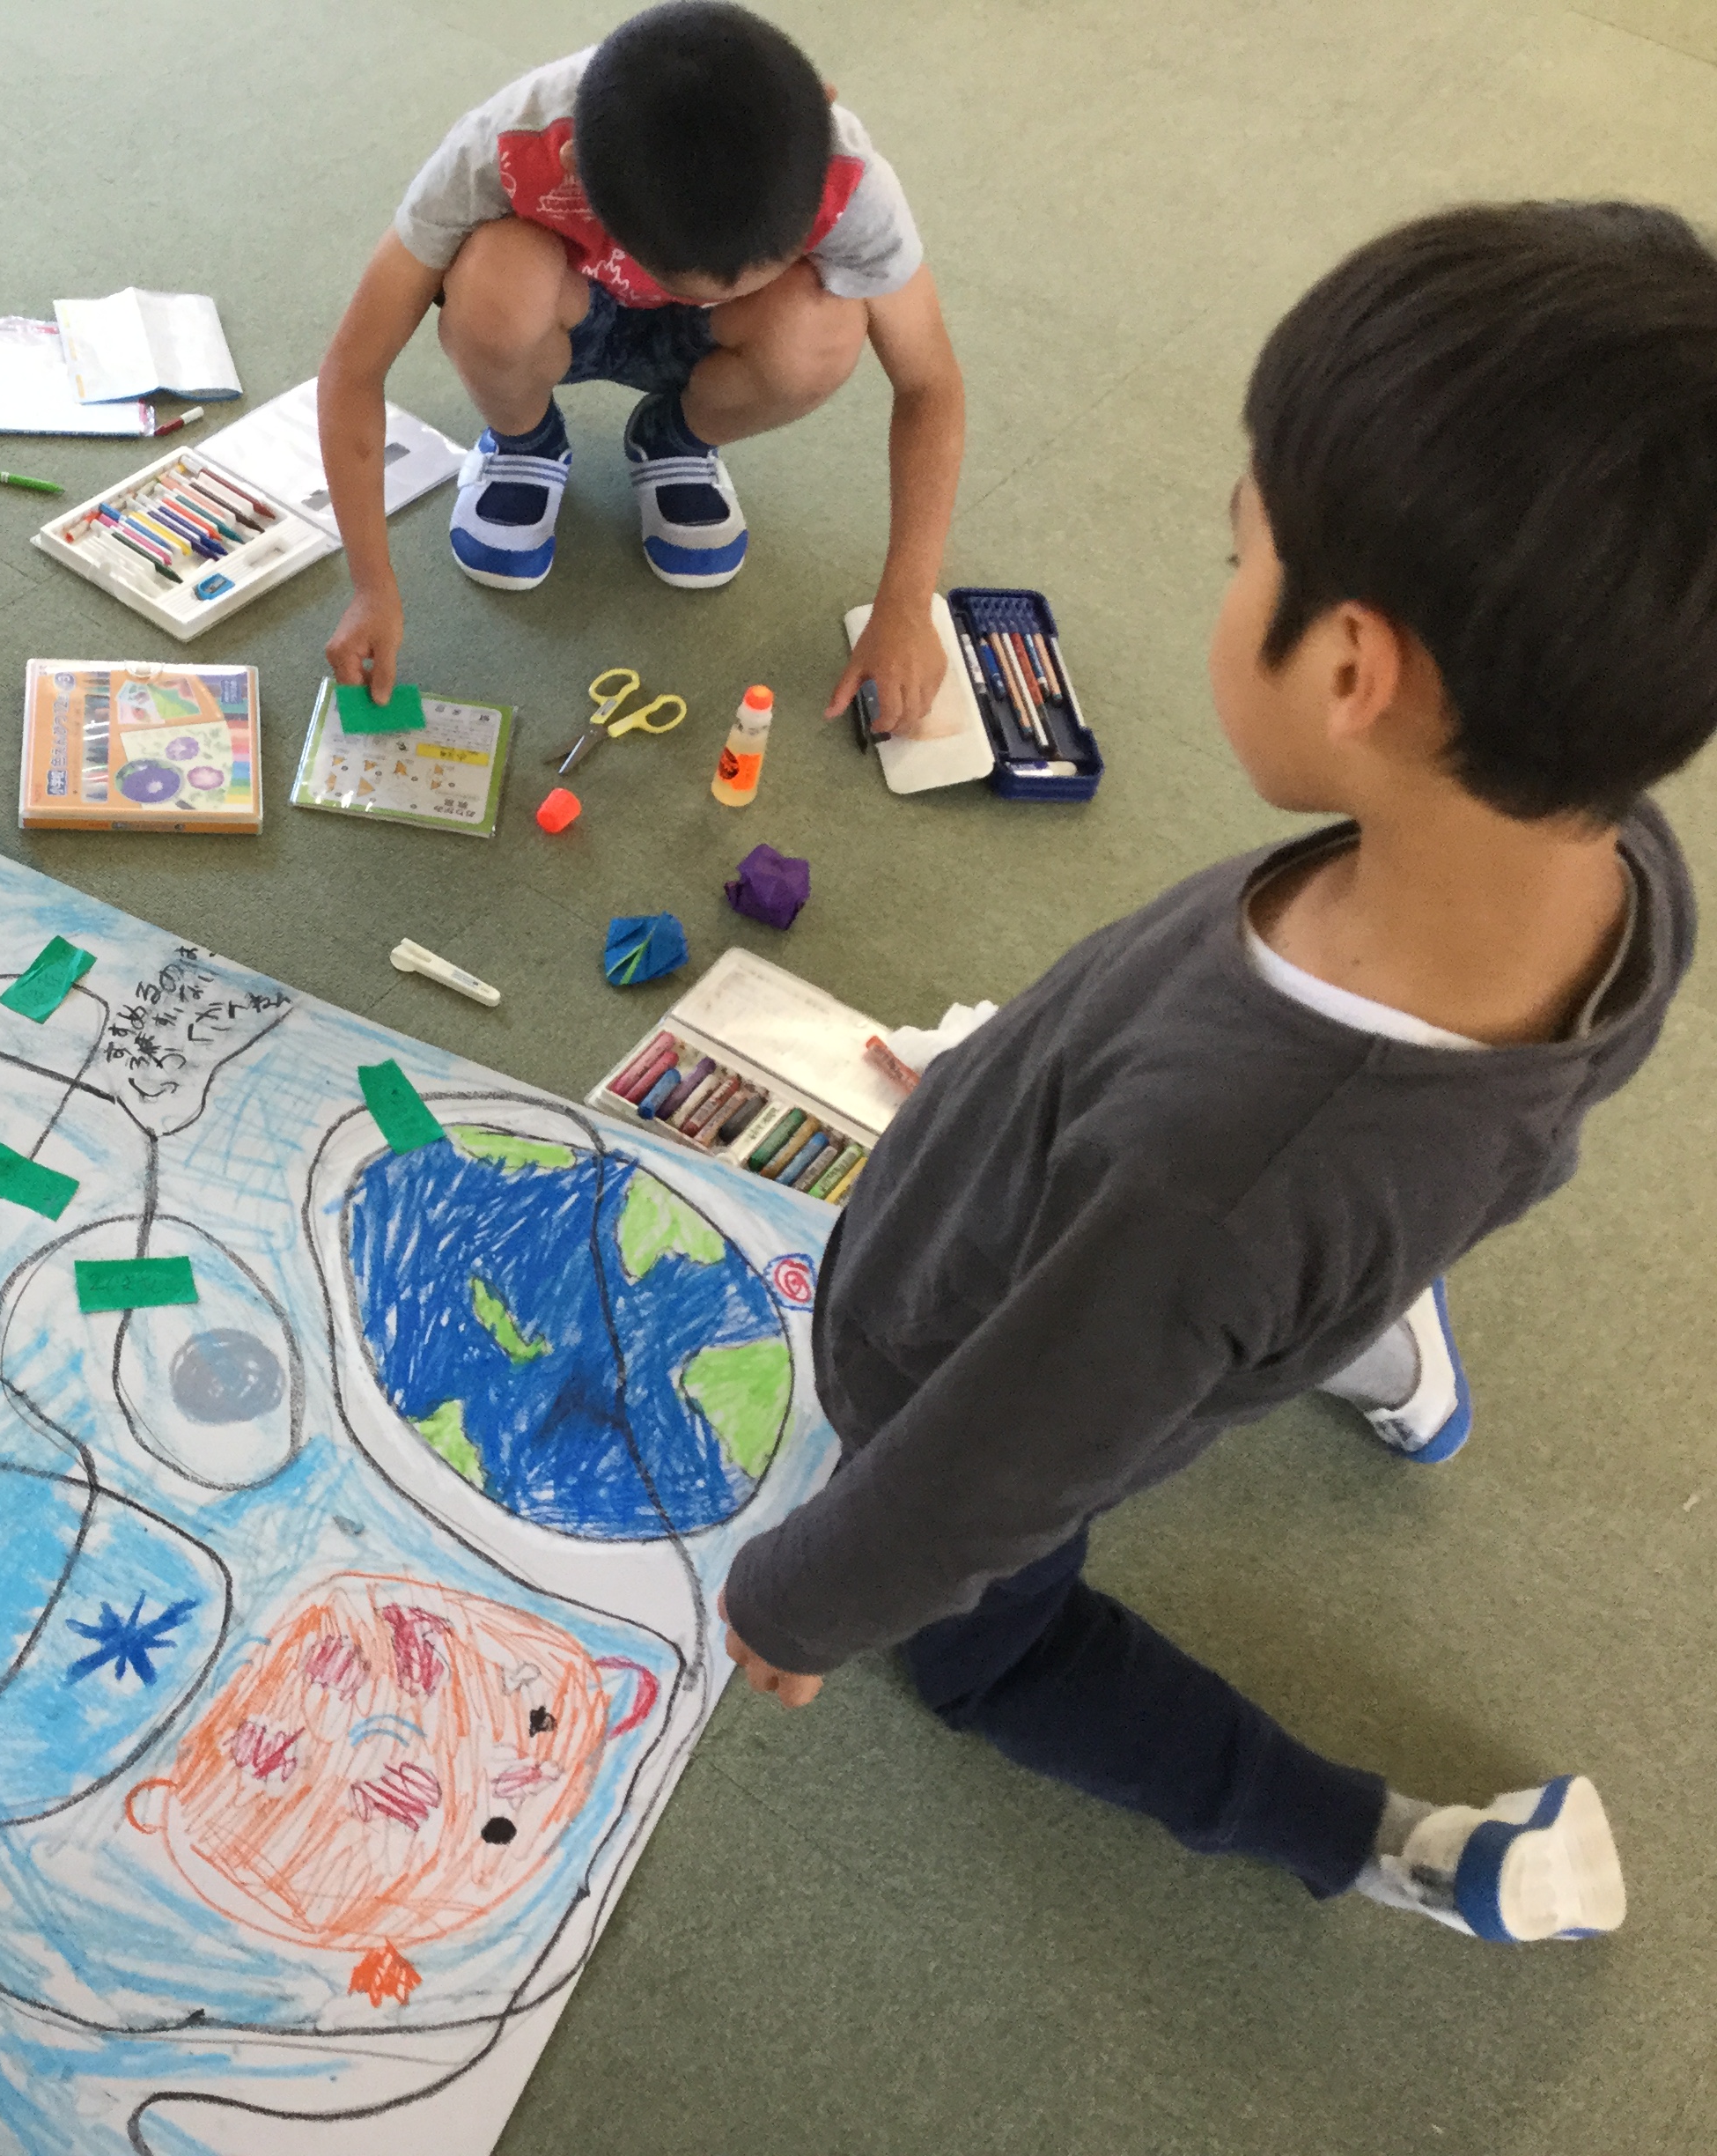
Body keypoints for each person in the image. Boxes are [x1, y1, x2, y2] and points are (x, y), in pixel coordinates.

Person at [719, 200, 1717, 1942]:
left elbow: (988, 1470)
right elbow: (1474, 1150)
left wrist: (798, 1602)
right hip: (1263, 1225)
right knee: (1323, 1255)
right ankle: (1369, 1335)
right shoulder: (1612, 862)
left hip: (981, 1343)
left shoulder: (1218, 1180)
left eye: (1235, 551)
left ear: (1349, 668)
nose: (1223, 572)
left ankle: (1388, 1845)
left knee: (983, 1654)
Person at [316, 3, 964, 732]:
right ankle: (525, 440)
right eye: (688, 278)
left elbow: (930, 384)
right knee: (495, 280)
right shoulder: (503, 147)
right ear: (576, 172)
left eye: (761, 266)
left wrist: (907, 605)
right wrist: (371, 586)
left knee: (827, 324)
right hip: (564, 307)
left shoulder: (847, 177)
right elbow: (353, 369)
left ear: (824, 107)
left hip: (716, 346)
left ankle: (676, 439)